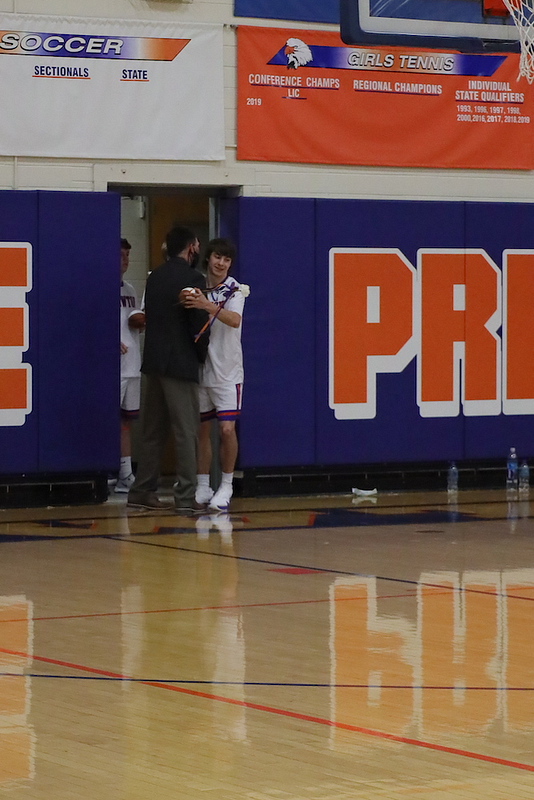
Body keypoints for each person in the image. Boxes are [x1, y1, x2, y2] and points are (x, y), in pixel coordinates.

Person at [127, 226, 209, 513]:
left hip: (153, 362)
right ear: (191, 247)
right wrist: (201, 355)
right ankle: (185, 496)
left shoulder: (155, 276)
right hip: (179, 363)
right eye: (196, 244)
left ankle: (142, 490)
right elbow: (198, 324)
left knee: (152, 431)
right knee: (186, 432)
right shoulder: (193, 278)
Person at [181, 238, 245, 511]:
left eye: (226, 260)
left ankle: (227, 485)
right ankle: (203, 484)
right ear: (208, 257)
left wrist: (207, 306)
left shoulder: (235, 290)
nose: (221, 263)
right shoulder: (196, 285)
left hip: (228, 371)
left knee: (227, 429)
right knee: (201, 430)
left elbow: (235, 320)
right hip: (200, 368)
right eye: (218, 257)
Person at [116, 238, 145, 493]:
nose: (125, 260)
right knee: (110, 420)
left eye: (127, 255)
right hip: (113, 368)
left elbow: (134, 322)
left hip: (132, 364)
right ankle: (105, 468)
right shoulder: (100, 288)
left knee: (126, 421)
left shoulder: (130, 289)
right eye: (120, 255)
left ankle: (125, 474)